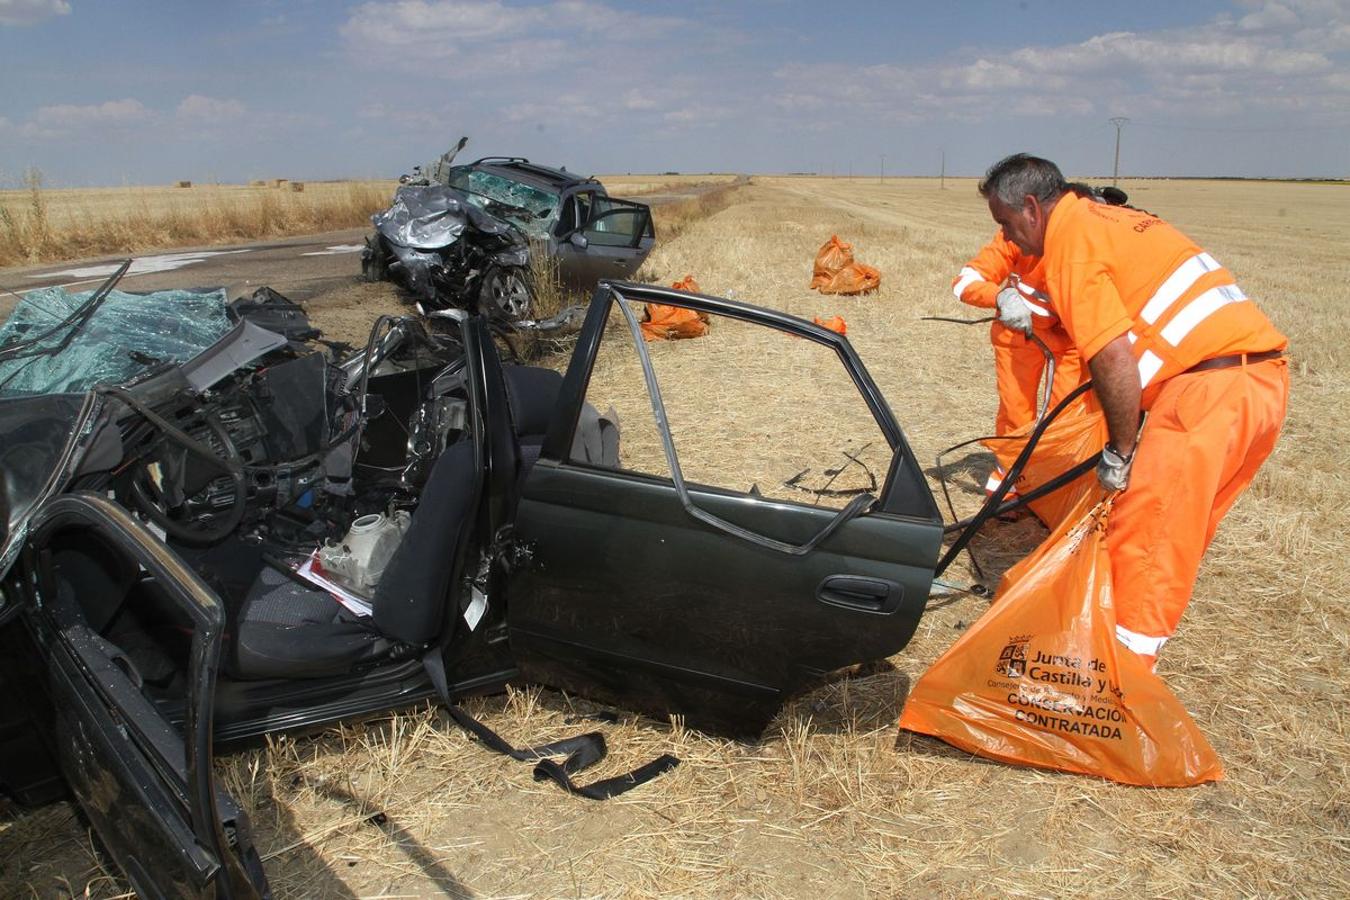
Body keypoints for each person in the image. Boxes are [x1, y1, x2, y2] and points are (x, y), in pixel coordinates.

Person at [978, 153, 1289, 668]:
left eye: (1007, 225)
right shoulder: (1119, 219)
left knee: (1146, 544)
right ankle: (1125, 663)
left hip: (1206, 396)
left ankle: (1111, 685)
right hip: (1261, 384)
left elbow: (1111, 354)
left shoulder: (1070, 245)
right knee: (1175, 541)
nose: (1010, 240)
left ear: (1032, 207)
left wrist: (1121, 452)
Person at [951, 232, 1084, 496]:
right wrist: (1001, 297)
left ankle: (1054, 489)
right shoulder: (1017, 231)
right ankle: (1008, 485)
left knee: (1066, 417)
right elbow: (965, 281)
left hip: (1074, 338)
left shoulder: (1089, 237)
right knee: (1016, 414)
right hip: (1018, 334)